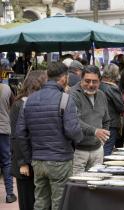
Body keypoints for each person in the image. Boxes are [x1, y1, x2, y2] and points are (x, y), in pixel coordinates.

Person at [16, 62, 83, 210]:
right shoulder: (65, 99)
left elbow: (20, 133)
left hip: (38, 160)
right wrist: (78, 140)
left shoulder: (28, 101)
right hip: (60, 159)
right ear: (64, 78)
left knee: (40, 201)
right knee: (59, 203)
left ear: (47, 76)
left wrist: (30, 157)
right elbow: (73, 131)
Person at [10, 70, 47, 210]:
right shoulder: (19, 104)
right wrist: (22, 163)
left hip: (38, 159)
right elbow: (16, 136)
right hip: (25, 162)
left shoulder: (37, 102)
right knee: (27, 199)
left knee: (38, 199)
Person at [70, 65, 111, 175]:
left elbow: (106, 119)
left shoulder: (102, 95)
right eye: (87, 81)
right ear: (81, 79)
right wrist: (95, 131)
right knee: (78, 186)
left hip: (98, 149)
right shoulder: (73, 94)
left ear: (100, 81)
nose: (91, 85)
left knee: (96, 185)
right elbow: (74, 120)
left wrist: (103, 138)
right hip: (78, 150)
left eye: (95, 81)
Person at [99, 64, 124, 155]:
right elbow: (121, 107)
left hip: (99, 121)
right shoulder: (112, 88)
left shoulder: (99, 85)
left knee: (101, 147)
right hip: (111, 123)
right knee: (107, 149)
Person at [0, 80, 16, 203]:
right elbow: (13, 105)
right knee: (6, 162)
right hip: (3, 130)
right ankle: (9, 194)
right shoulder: (6, 89)